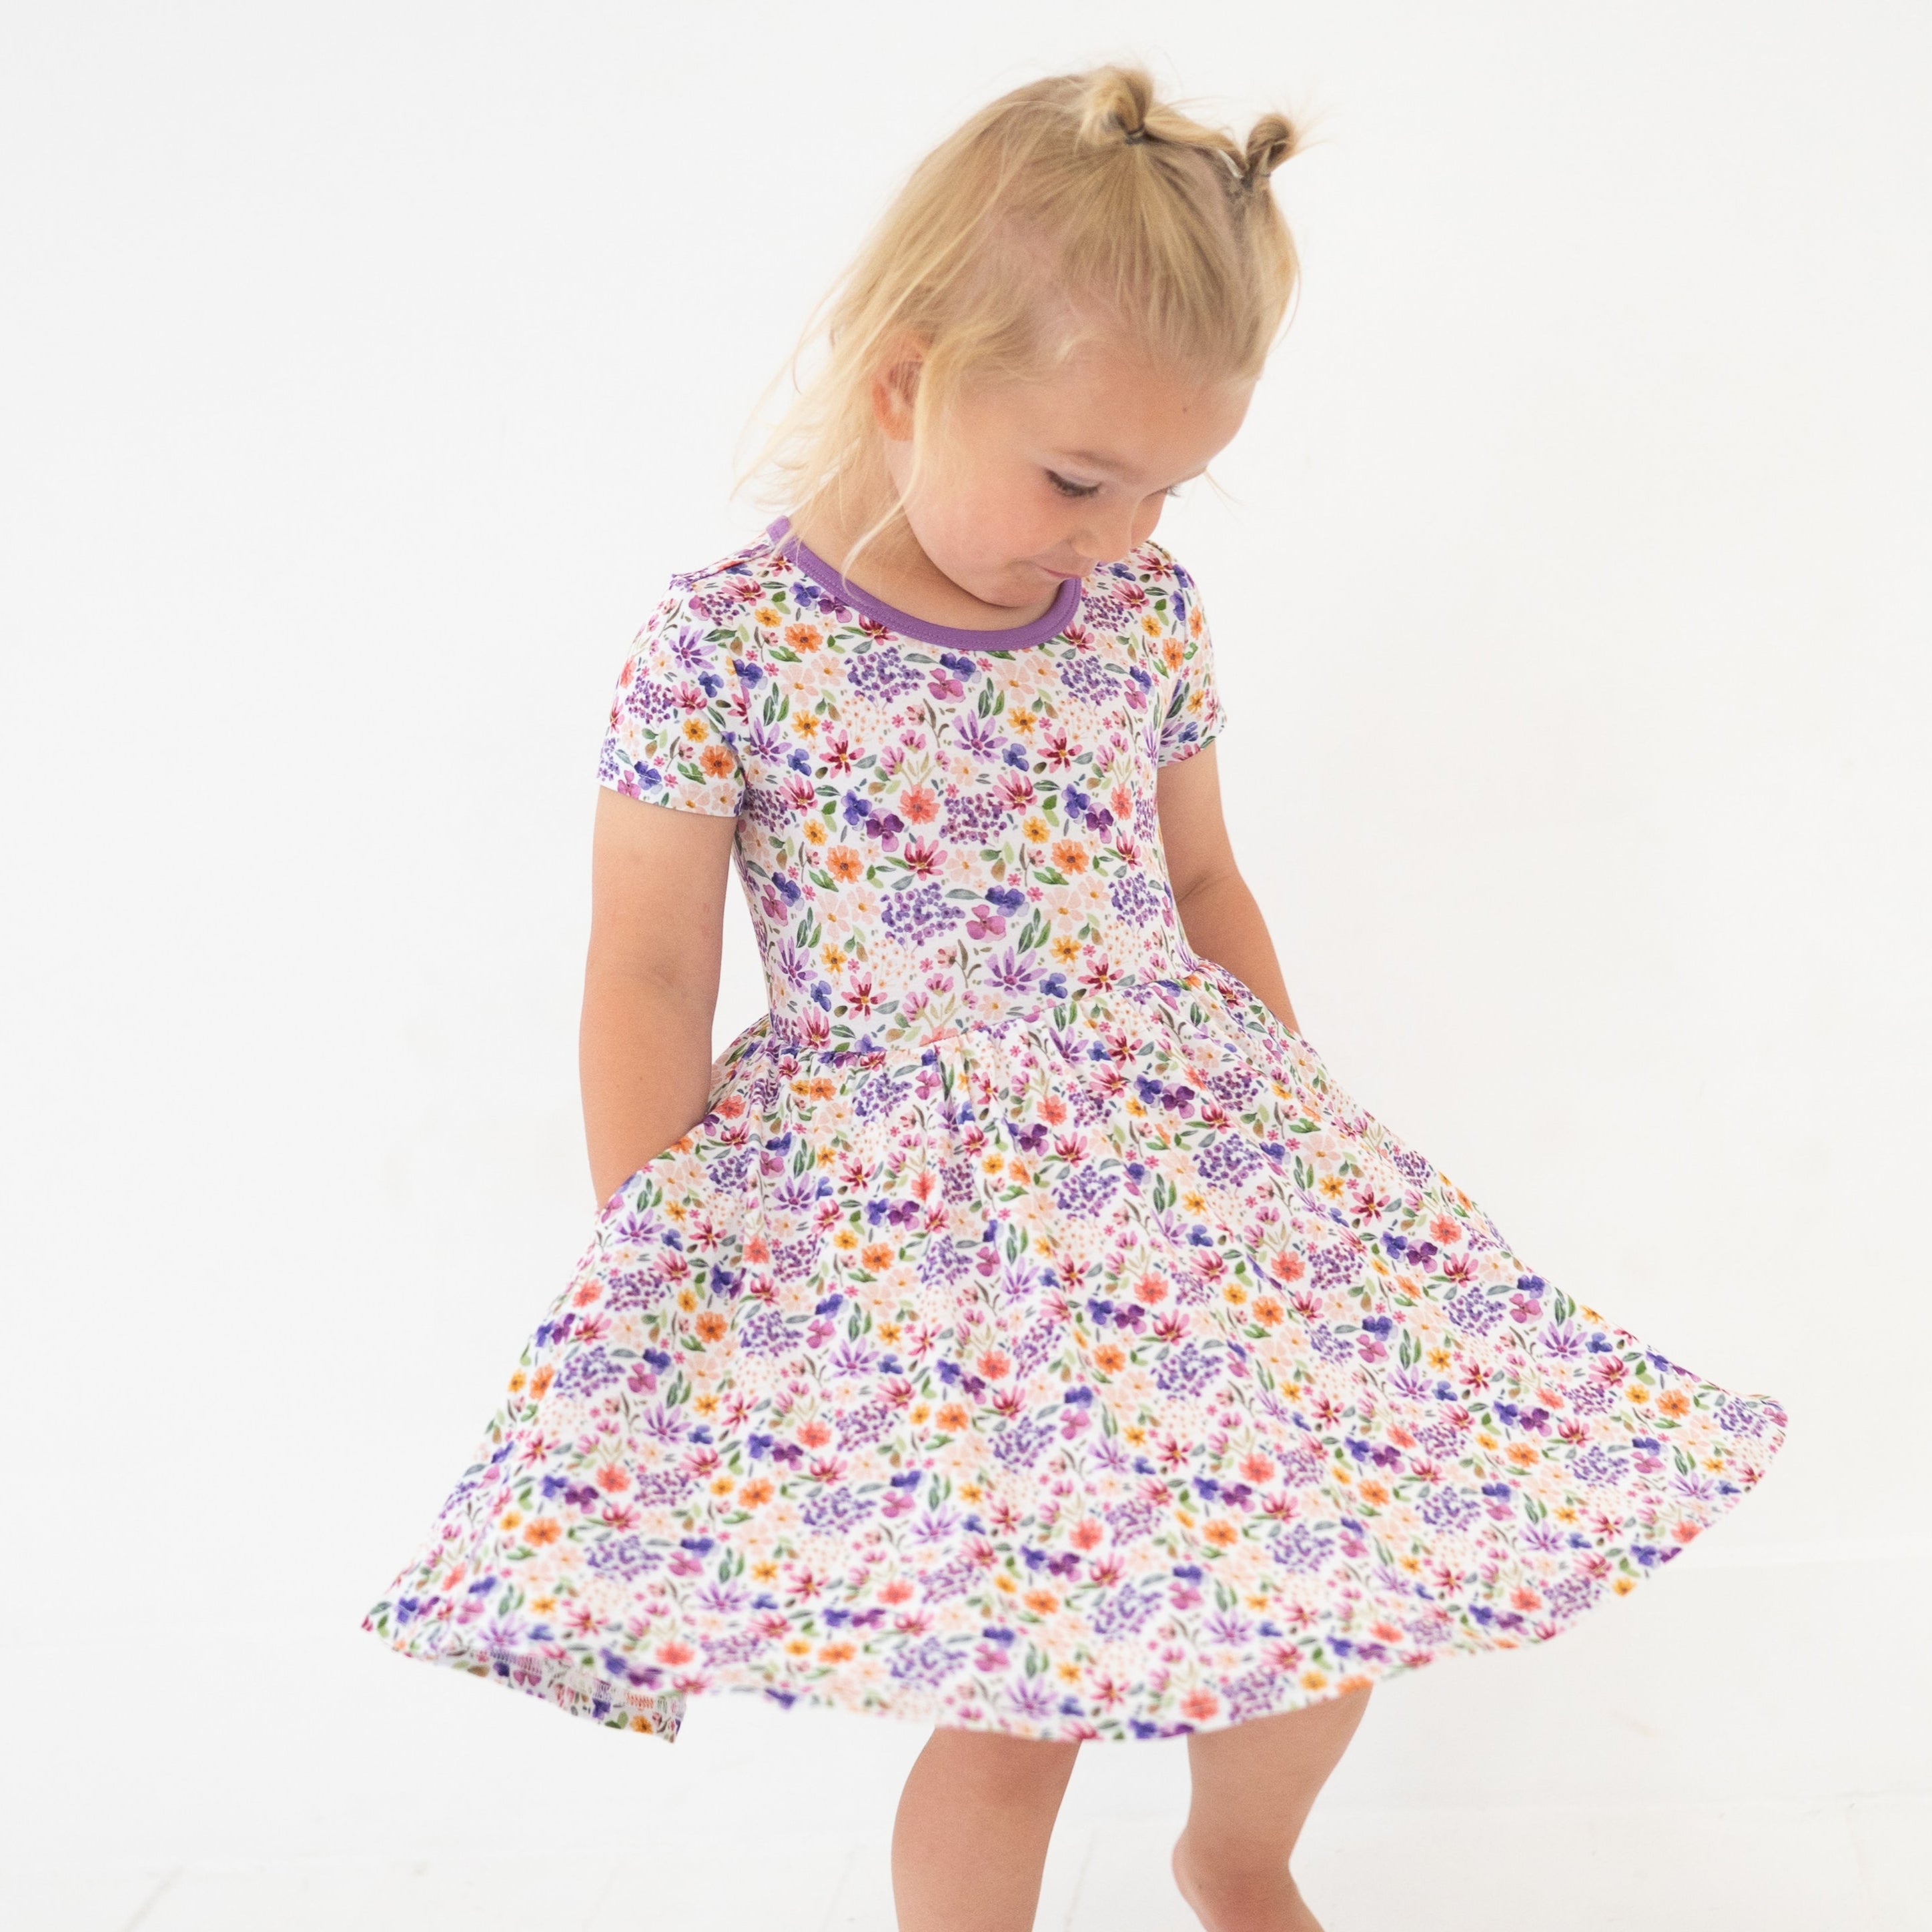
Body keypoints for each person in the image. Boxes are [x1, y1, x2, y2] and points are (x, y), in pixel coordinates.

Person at [364, 65, 1791, 1932]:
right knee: (1021, 1686)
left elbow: (1200, 881)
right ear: (907, 379)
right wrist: (664, 1268)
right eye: (1072, 477)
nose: (1115, 532)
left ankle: (1238, 1857)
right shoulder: (731, 647)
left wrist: (1305, 1133)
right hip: (926, 1226)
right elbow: (644, 966)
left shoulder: (1143, 618)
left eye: (1164, 487)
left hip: (1181, 1164)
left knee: (1324, 1587)